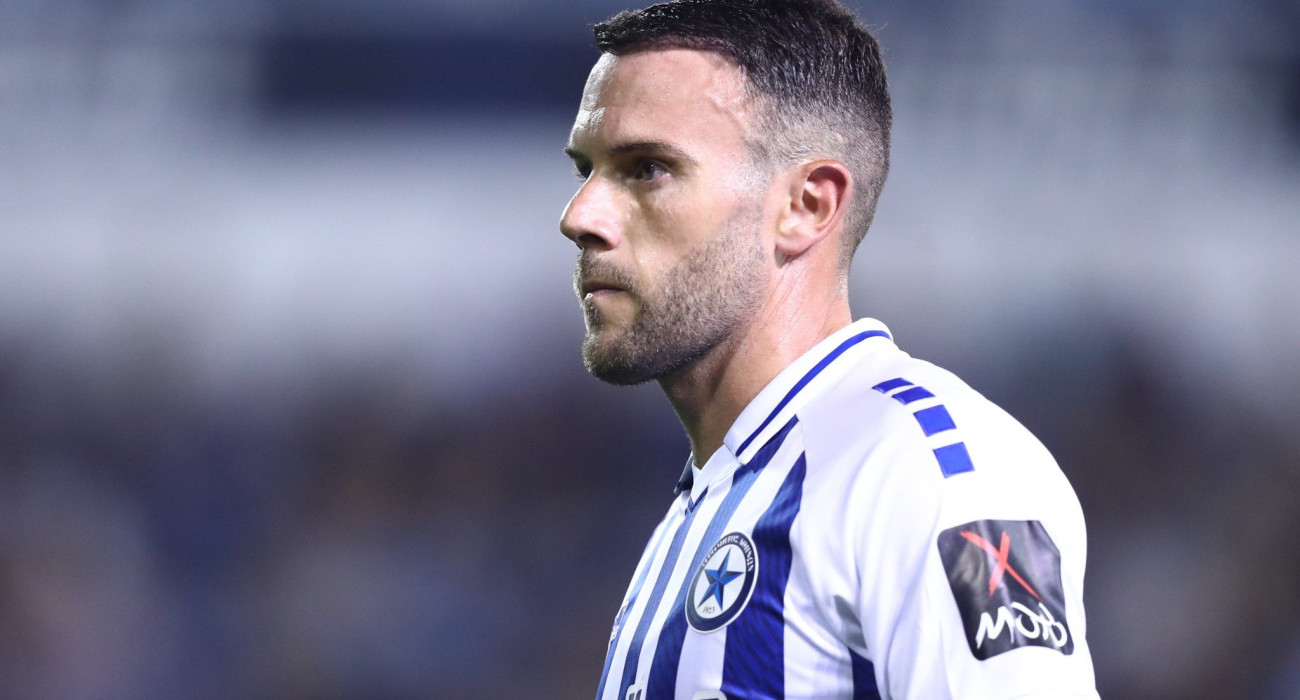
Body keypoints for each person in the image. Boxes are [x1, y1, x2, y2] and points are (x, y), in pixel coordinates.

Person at [559, 0, 1099, 697]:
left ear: (807, 206)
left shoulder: (932, 475)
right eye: (586, 170)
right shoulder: (716, 497)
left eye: (647, 169)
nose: (580, 216)